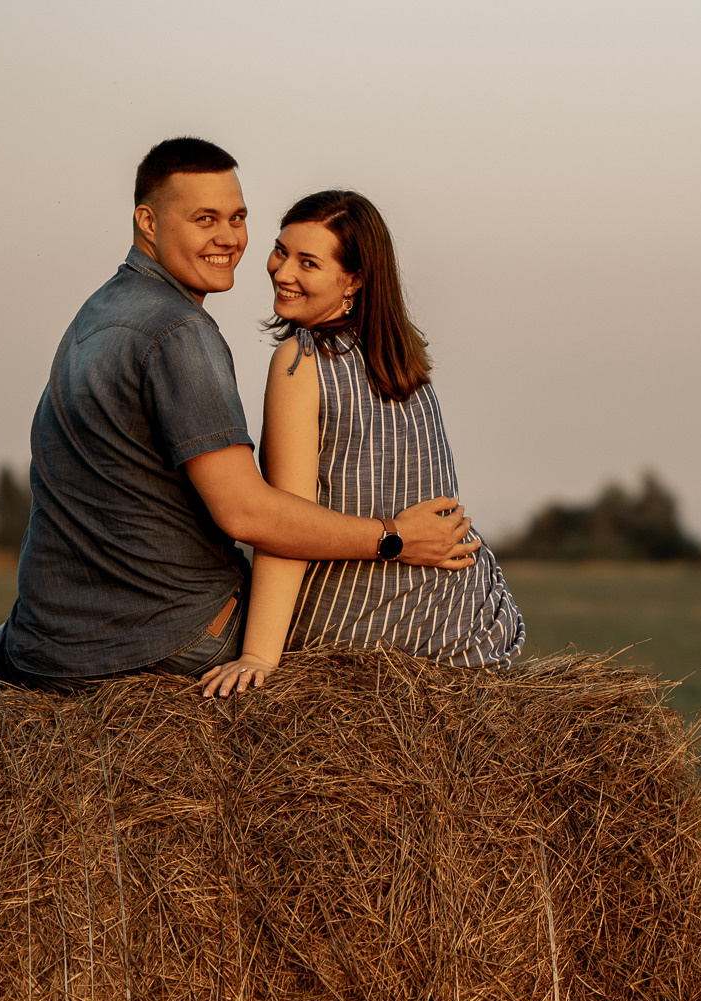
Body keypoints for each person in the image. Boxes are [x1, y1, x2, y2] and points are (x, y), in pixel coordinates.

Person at [0, 139, 480, 694]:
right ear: (147, 222)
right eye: (205, 219)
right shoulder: (182, 334)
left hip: (48, 639)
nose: (229, 238)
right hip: (170, 637)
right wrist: (393, 539)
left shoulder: (100, 310)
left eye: (238, 218)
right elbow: (247, 514)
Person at [195, 189, 523, 698]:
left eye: (308, 262)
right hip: (464, 625)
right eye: (281, 251)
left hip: (362, 632)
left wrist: (259, 654)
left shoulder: (300, 362)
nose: (282, 272)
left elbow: (286, 522)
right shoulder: (403, 363)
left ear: (354, 279)